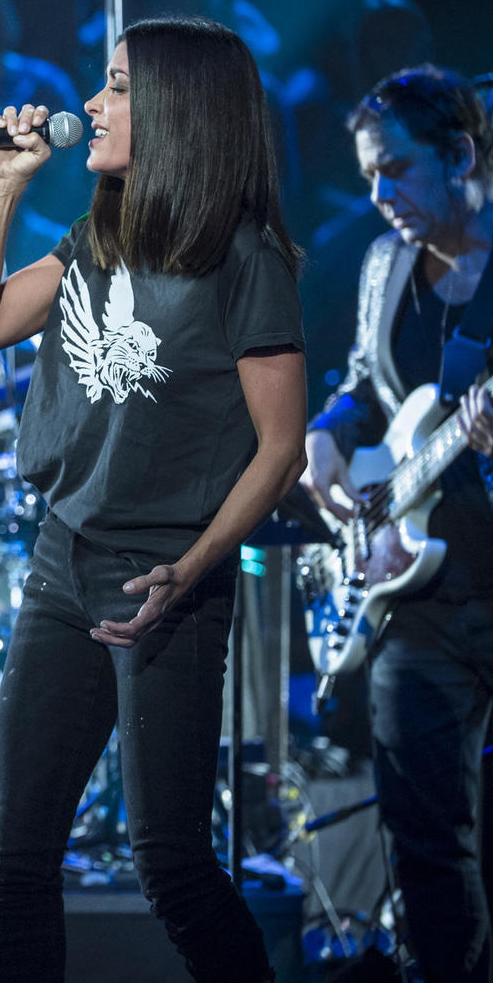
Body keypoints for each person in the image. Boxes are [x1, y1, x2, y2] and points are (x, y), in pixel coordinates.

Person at [0, 17, 306, 981]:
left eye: (116, 88)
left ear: (181, 112)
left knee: (172, 866)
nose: (91, 105)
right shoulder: (97, 233)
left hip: (165, 577)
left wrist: (192, 568)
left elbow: (280, 449)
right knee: (14, 859)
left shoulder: (245, 260)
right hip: (65, 564)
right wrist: (1, 189)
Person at [300, 64, 493, 983]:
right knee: (423, 835)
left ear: (461, 154)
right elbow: (366, 389)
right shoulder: (384, 264)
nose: (378, 196)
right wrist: (328, 432)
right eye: (369, 173)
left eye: (396, 169)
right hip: (415, 587)